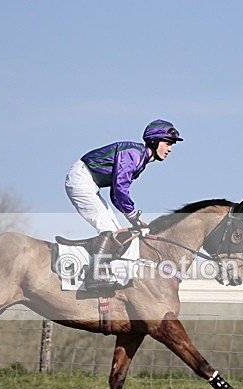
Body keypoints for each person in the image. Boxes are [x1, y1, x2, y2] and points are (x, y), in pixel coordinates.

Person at [64, 119, 183, 290]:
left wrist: (133, 219)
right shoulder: (133, 154)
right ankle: (94, 277)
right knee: (108, 229)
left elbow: (115, 194)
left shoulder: (140, 161)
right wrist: (133, 215)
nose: (170, 149)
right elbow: (120, 188)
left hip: (90, 183)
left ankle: (104, 272)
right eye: (168, 143)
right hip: (81, 180)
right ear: (154, 141)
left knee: (115, 232)